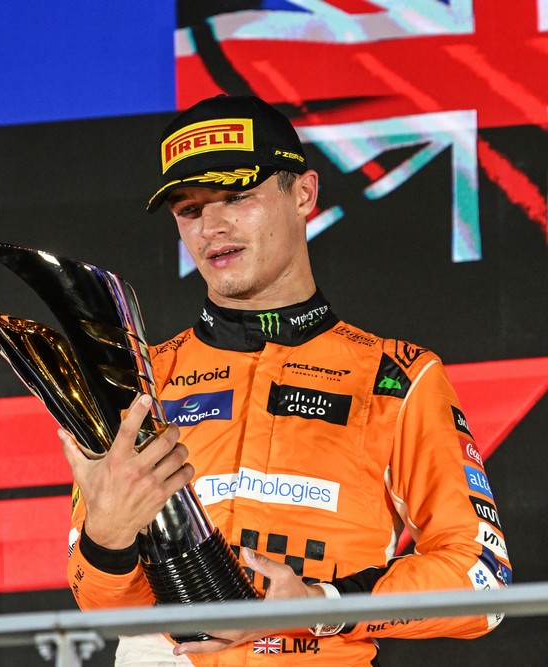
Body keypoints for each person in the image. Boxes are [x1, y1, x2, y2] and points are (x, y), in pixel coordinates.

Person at [60, 95, 512, 666]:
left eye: (237, 196)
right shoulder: (141, 380)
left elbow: (482, 581)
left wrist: (323, 604)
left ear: (304, 194)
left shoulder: (397, 377)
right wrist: (106, 533)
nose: (213, 227)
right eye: (189, 209)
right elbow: (102, 604)